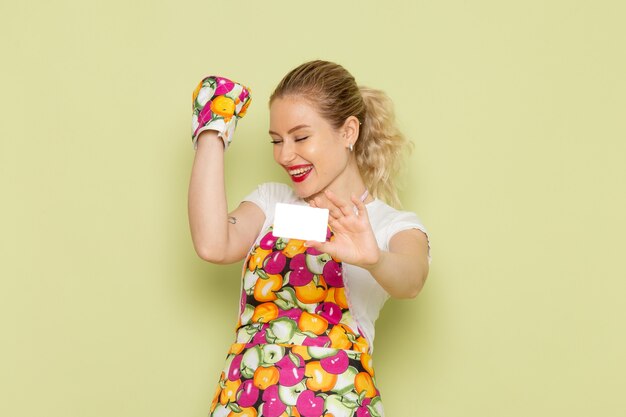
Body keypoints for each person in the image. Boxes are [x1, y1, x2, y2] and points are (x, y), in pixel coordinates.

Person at [188, 60, 431, 417]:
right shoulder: (272, 202)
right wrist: (213, 129)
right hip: (245, 405)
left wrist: (374, 258)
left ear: (348, 132)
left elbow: (411, 279)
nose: (285, 155)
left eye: (301, 137)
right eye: (276, 140)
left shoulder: (388, 224)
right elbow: (213, 244)